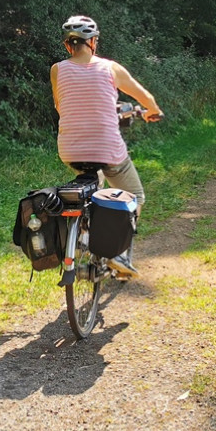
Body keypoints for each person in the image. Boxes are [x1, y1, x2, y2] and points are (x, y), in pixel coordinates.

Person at [51, 15, 162, 278]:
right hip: (107, 150)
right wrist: (152, 111)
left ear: (69, 46)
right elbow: (145, 97)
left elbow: (61, 106)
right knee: (136, 196)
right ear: (93, 43)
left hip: (70, 150)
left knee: (90, 186)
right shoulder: (111, 68)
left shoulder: (57, 69)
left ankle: (85, 237)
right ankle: (119, 254)